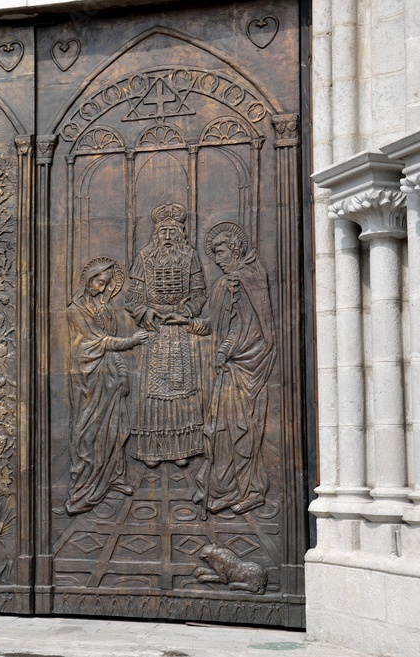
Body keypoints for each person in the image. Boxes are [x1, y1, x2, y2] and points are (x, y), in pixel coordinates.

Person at [125, 202, 209, 468]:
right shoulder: (144, 258)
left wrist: (185, 311)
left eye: (174, 231)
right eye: (164, 232)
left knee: (181, 391)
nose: (169, 237)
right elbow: (133, 297)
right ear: (156, 234)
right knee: (152, 395)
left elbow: (199, 292)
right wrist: (146, 312)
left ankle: (182, 448)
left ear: (181, 233)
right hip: (154, 332)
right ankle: (151, 450)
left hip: (179, 332)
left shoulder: (190, 256)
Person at [201, 222, 277, 514]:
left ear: (235, 248)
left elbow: (250, 326)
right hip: (229, 367)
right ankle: (226, 489)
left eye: (220, 251)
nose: (218, 259)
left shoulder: (247, 279)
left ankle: (252, 490)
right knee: (222, 431)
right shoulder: (229, 282)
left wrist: (227, 349)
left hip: (246, 366)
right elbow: (218, 325)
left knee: (244, 430)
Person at [65, 257, 150, 515]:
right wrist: (131, 341)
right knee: (89, 431)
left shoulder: (105, 310)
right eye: (99, 283)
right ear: (89, 279)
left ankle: (113, 476)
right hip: (88, 378)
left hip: (110, 377)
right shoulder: (74, 311)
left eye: (106, 285)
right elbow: (96, 342)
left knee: (115, 429)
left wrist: (123, 372)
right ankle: (84, 488)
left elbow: (109, 347)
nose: (102, 289)